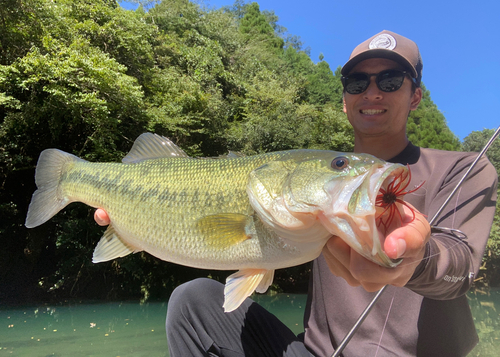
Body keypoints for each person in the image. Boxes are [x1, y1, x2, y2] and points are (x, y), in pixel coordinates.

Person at [94, 30, 498, 356]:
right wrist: (145, 221)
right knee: (192, 301)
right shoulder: (312, 173)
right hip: (313, 353)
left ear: (415, 96)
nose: (372, 92)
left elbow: (460, 265)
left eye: (390, 80)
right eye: (358, 81)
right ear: (344, 101)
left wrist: (416, 258)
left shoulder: (465, 168)